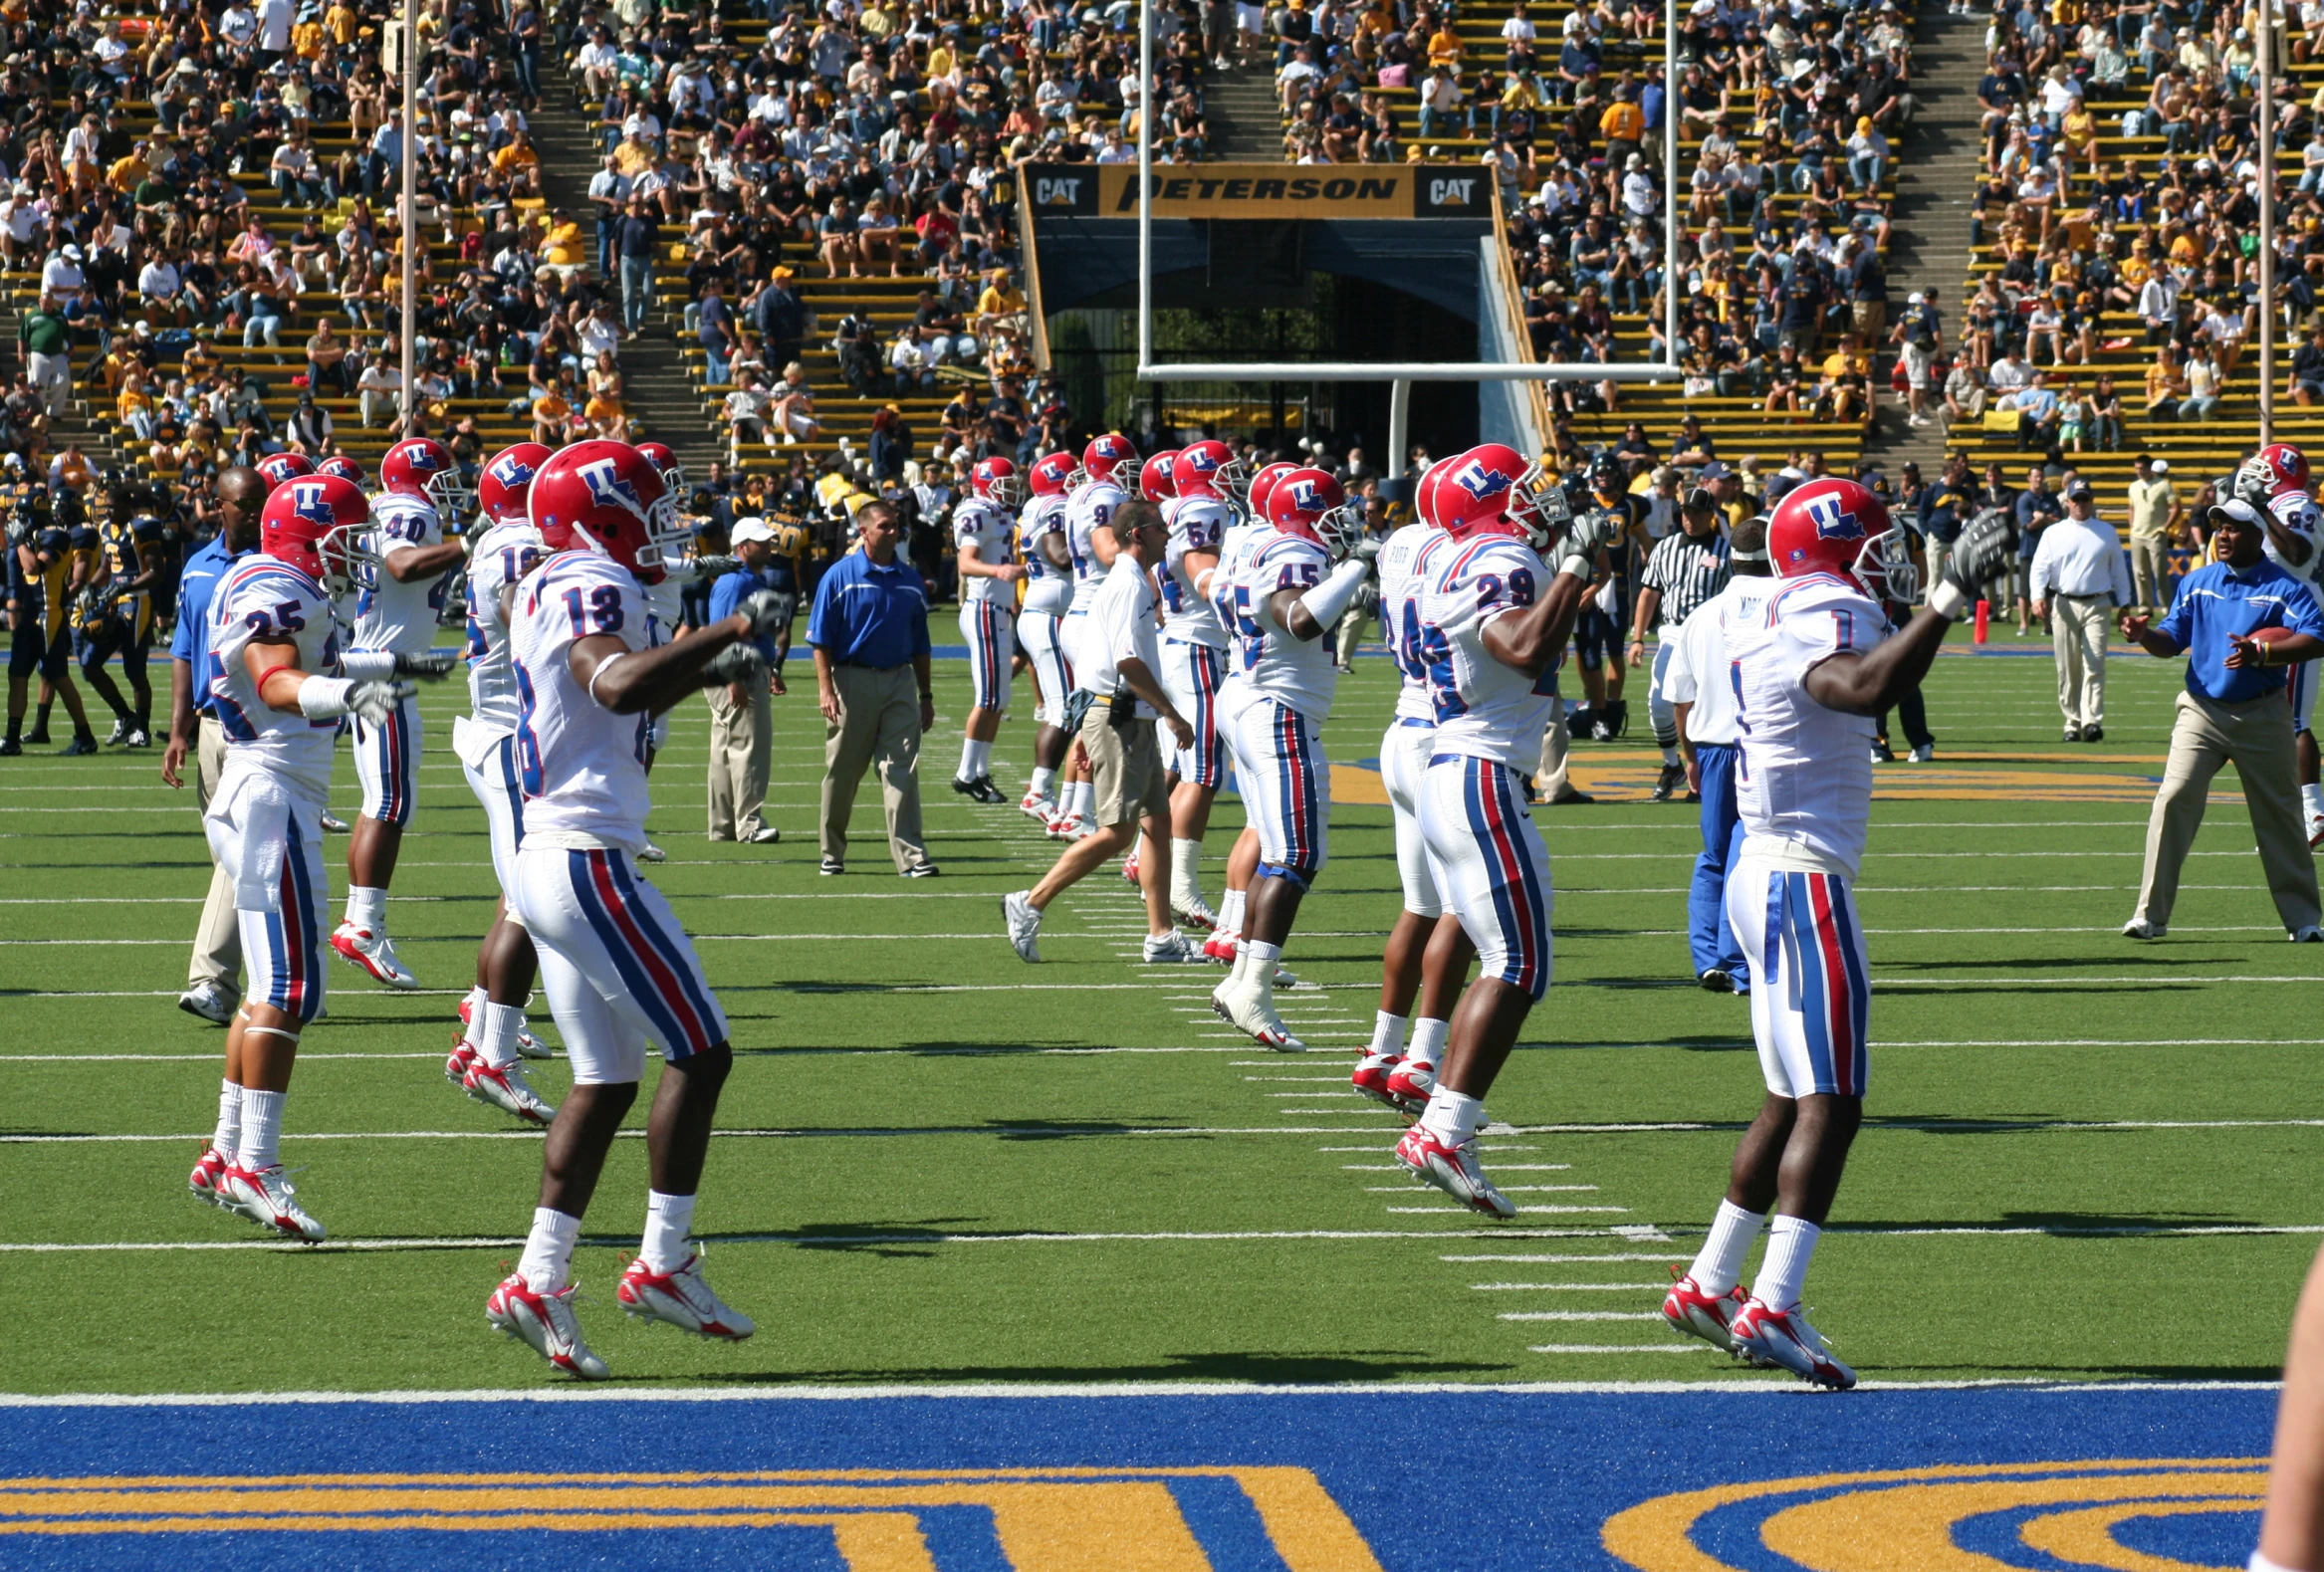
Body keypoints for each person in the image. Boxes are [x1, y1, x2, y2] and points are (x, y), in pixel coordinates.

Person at [1657, 483, 2017, 1387]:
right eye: (1872, 544)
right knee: (1833, 1100)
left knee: (1788, 1095)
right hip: (1800, 873)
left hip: (1763, 862)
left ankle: (1708, 1281)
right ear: (1834, 549)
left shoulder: (1768, 601)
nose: (1881, 559)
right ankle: (1773, 1301)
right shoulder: (1827, 603)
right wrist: (1941, 601)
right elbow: (1856, 688)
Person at [486, 440, 780, 1380]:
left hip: (549, 853)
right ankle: (663, 1260)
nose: (669, 526)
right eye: (652, 510)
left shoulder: (563, 574)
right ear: (604, 516)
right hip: (583, 856)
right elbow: (612, 680)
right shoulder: (588, 577)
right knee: (703, 1049)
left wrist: (710, 659)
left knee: (606, 1078)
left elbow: (616, 692)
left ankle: (538, 1278)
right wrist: (731, 624)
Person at [186, 473, 451, 1241]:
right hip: (272, 794)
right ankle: (254, 1165)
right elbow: (276, 681)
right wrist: (352, 697)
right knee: (293, 988)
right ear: (307, 534)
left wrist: (388, 671)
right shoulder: (280, 587)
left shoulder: (266, 578)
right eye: (345, 535)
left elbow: (301, 667)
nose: (357, 551)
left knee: (268, 986)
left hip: (258, 788)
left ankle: (226, 1147)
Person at [1392, 445, 1603, 1217]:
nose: (1536, 498)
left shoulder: (1457, 553)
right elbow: (1521, 644)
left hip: (1461, 764)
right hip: (1481, 770)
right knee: (1517, 961)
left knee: (1507, 955)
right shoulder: (1501, 556)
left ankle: (1441, 1109)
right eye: (1523, 489)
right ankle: (1444, 1127)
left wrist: (1580, 565)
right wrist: (1573, 568)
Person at [1210, 466, 1372, 1050]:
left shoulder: (1256, 543)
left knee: (1278, 851)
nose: (1346, 521)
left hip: (1252, 693)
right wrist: (1356, 565)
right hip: (1274, 706)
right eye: (1334, 510)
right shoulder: (1297, 552)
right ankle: (1252, 988)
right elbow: (1299, 620)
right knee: (1297, 855)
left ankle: (1241, 977)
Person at [1004, 499, 1200, 965]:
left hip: (1122, 714)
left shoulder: (1127, 580)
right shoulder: (1130, 584)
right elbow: (1126, 661)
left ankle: (1161, 935)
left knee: (1157, 824)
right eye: (1160, 530)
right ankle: (1030, 902)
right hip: (1120, 715)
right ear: (1139, 533)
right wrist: (1170, 712)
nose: (1167, 537)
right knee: (1116, 832)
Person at [2119, 498, 2324, 942]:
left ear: (2257, 536)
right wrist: (2143, 636)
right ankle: (2149, 916)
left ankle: (2305, 920)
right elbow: (2171, 641)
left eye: (2232, 528)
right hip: (2202, 710)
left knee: (2281, 816)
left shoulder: (2286, 586)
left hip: (2264, 714)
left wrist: (2263, 652)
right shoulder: (2197, 582)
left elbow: (2316, 638)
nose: (2222, 535)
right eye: (2217, 527)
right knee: (2173, 798)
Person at [446, 442, 559, 1125]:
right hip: (513, 736)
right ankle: (494, 1055)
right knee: (531, 903)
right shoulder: (523, 547)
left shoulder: (497, 541)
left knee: (514, 899)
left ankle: (481, 1034)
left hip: (498, 730)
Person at [331, 437, 469, 990]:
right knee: (388, 802)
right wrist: (470, 545)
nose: (449, 485)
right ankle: (363, 924)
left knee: (382, 801)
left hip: (382, 661)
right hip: (380, 669)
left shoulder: (394, 509)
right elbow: (403, 565)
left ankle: (364, 920)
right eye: (442, 474)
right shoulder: (408, 510)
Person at [1353, 455, 1466, 1113]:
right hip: (1442, 737)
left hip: (1402, 727)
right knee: (1462, 911)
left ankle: (1381, 1048)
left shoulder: (1401, 543)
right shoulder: (1459, 551)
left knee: (1421, 907)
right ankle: (1423, 1058)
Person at [160, 466, 266, 1025]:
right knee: (234, 859)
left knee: (240, 855)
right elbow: (184, 650)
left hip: (255, 727)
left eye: (260, 503)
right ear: (217, 506)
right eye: (244, 504)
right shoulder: (198, 568)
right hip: (206, 728)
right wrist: (177, 730)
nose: (254, 513)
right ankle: (280, 975)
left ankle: (213, 982)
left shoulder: (275, 568)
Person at [1665, 514, 1773, 992]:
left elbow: (1680, 698)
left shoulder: (1702, 614)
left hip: (1710, 745)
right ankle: (1737, 959)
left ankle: (1709, 956)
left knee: (1714, 853)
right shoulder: (1784, 608)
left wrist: (1688, 756)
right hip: (1761, 743)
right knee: (1750, 850)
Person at [809, 500, 938, 877]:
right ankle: (832, 851)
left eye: (896, 525)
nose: (894, 531)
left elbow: (921, 643)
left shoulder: (910, 579)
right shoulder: (839, 576)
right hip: (852, 679)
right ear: (863, 530)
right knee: (844, 771)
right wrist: (826, 688)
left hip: (900, 680)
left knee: (902, 768)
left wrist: (926, 695)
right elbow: (820, 639)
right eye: (885, 526)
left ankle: (912, 857)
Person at [1157, 440, 1242, 932]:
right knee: (1204, 772)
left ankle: (1157, 869)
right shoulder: (1204, 508)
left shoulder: (1174, 507)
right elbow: (1205, 576)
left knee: (1188, 767)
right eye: (1226, 469)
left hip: (1183, 640)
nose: (1235, 476)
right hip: (1197, 645)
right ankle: (1181, 888)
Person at [1054, 434, 1139, 839]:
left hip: (1085, 609)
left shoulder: (1084, 493)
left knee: (1090, 717)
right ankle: (1081, 813)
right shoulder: (1105, 492)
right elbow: (1108, 552)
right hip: (1094, 615)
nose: (1132, 471)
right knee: (1103, 719)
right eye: (1126, 463)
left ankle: (1071, 809)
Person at [1629, 484, 1732, 801]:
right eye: (1686, 512)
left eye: (1697, 513)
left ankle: (1704, 772)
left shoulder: (1724, 549)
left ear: (1710, 515)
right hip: (1673, 631)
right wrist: (1636, 638)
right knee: (1661, 703)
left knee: (1711, 705)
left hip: (1713, 633)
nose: (1689, 519)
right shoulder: (1666, 547)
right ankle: (1673, 763)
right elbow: (1649, 593)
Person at [702, 518, 787, 847]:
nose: (767, 546)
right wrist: (732, 678)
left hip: (740, 669)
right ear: (741, 547)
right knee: (749, 748)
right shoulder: (735, 582)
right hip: (736, 670)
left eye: (767, 541)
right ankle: (749, 824)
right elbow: (723, 632)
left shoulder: (746, 579)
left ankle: (723, 825)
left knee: (725, 751)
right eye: (759, 542)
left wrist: (772, 668)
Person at [2030, 480, 2136, 742]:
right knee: (2067, 666)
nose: (2080, 504)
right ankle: (2071, 721)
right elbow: (2039, 568)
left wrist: (2124, 605)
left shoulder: (2106, 532)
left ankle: (2091, 721)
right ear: (2067, 502)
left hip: (2098, 603)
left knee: (2095, 663)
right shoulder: (2053, 533)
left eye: (2084, 499)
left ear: (2092, 501)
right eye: (2075, 499)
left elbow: (2119, 572)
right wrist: (2037, 596)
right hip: (2064, 602)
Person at [952, 457, 1024, 804]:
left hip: (995, 609)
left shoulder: (998, 512)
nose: (1011, 488)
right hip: (982, 608)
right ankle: (966, 773)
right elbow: (965, 563)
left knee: (1000, 698)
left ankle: (978, 771)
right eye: (1004, 482)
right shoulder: (978, 510)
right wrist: (999, 573)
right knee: (988, 698)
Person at [1013, 451, 1079, 827]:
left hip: (1045, 610)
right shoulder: (1054, 506)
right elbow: (1060, 555)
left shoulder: (1042, 504)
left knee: (1068, 710)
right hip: (1049, 614)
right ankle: (1039, 793)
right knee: (1063, 711)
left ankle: (1062, 800)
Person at [2, 503, 98, 757]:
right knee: (17, 675)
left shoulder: (56, 536)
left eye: (22, 517)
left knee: (58, 676)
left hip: (49, 616)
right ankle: (11, 739)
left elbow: (34, 566)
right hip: (30, 617)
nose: (18, 522)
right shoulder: (34, 537)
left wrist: (19, 539)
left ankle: (85, 735)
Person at [2126, 455, 2182, 614]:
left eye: (2142, 468)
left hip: (2156, 535)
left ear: (2150, 468)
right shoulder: (2133, 486)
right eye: (2136, 468)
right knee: (2140, 572)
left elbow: (2176, 507)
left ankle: (2166, 606)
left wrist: (2164, 527)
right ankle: (2145, 607)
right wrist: (2132, 525)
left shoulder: (2163, 485)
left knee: (2159, 572)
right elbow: (2131, 508)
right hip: (2137, 535)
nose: (2139, 472)